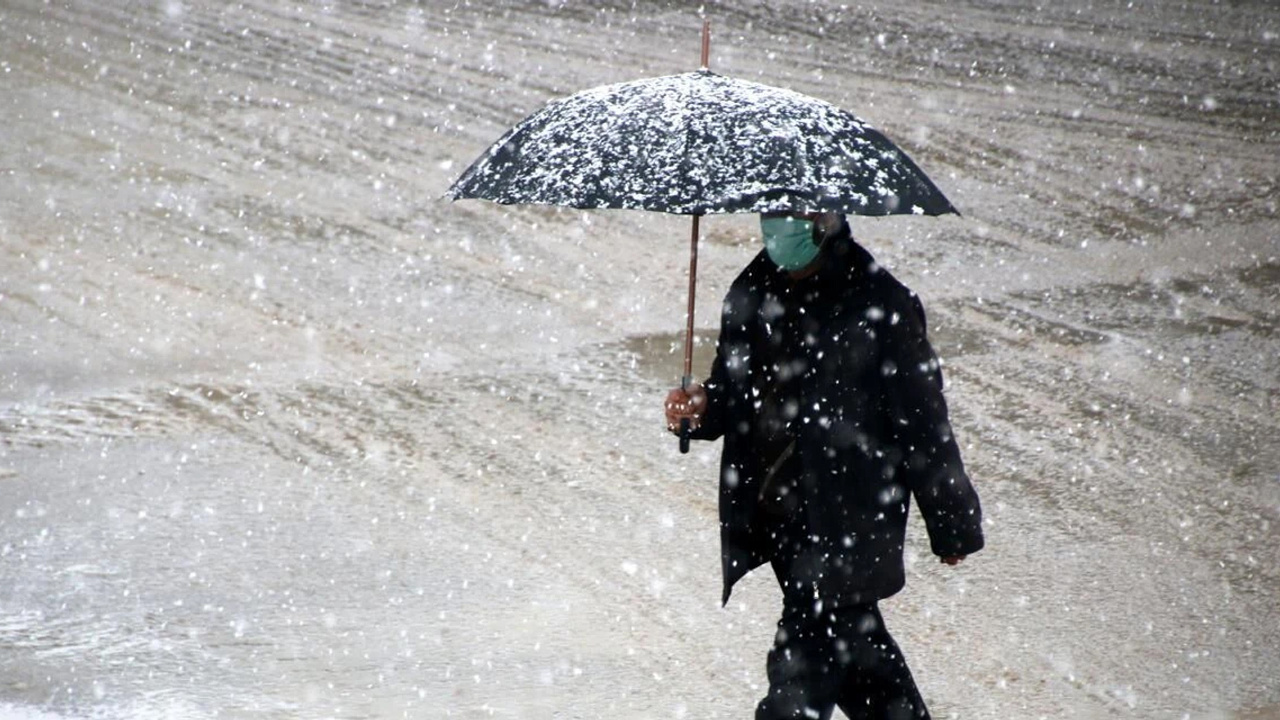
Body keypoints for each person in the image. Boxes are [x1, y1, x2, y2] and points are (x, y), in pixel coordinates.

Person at [664, 211, 984, 720]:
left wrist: (952, 522)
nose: (779, 227)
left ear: (827, 220)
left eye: (795, 214)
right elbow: (732, 391)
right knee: (861, 663)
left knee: (800, 678)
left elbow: (925, 427)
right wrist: (700, 408)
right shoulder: (751, 291)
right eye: (772, 214)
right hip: (782, 514)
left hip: (851, 517)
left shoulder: (882, 304)